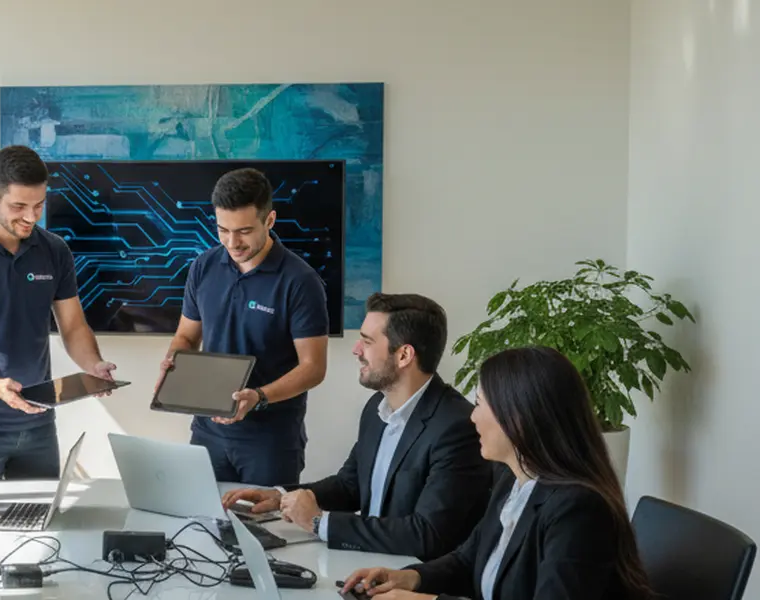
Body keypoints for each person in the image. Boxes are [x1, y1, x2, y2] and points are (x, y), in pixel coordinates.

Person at [339, 346, 652, 600]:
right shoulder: (512, 483)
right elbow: (467, 559)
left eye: (479, 404)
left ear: (518, 417)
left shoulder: (578, 510)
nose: (472, 417)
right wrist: (409, 577)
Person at [221, 293, 491, 559]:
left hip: (413, 580)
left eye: (367, 341)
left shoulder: (457, 428)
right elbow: (351, 485)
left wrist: (319, 522)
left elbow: (427, 535)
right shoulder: (377, 407)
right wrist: (281, 496)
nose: (356, 350)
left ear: (404, 355)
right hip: (372, 563)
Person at [0, 145, 116, 484]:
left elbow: (72, 325)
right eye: (19, 206)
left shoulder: (54, 250)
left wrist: (93, 365)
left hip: (37, 425)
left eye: (39, 205)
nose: (31, 216)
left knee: (40, 523)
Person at [159, 167, 329, 487]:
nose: (232, 242)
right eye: (223, 230)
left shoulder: (301, 282)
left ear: (270, 220)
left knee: (268, 532)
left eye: (244, 231)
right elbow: (186, 335)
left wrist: (259, 397)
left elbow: (314, 367)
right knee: (202, 525)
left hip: (270, 441)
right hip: (208, 432)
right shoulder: (203, 267)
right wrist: (174, 362)